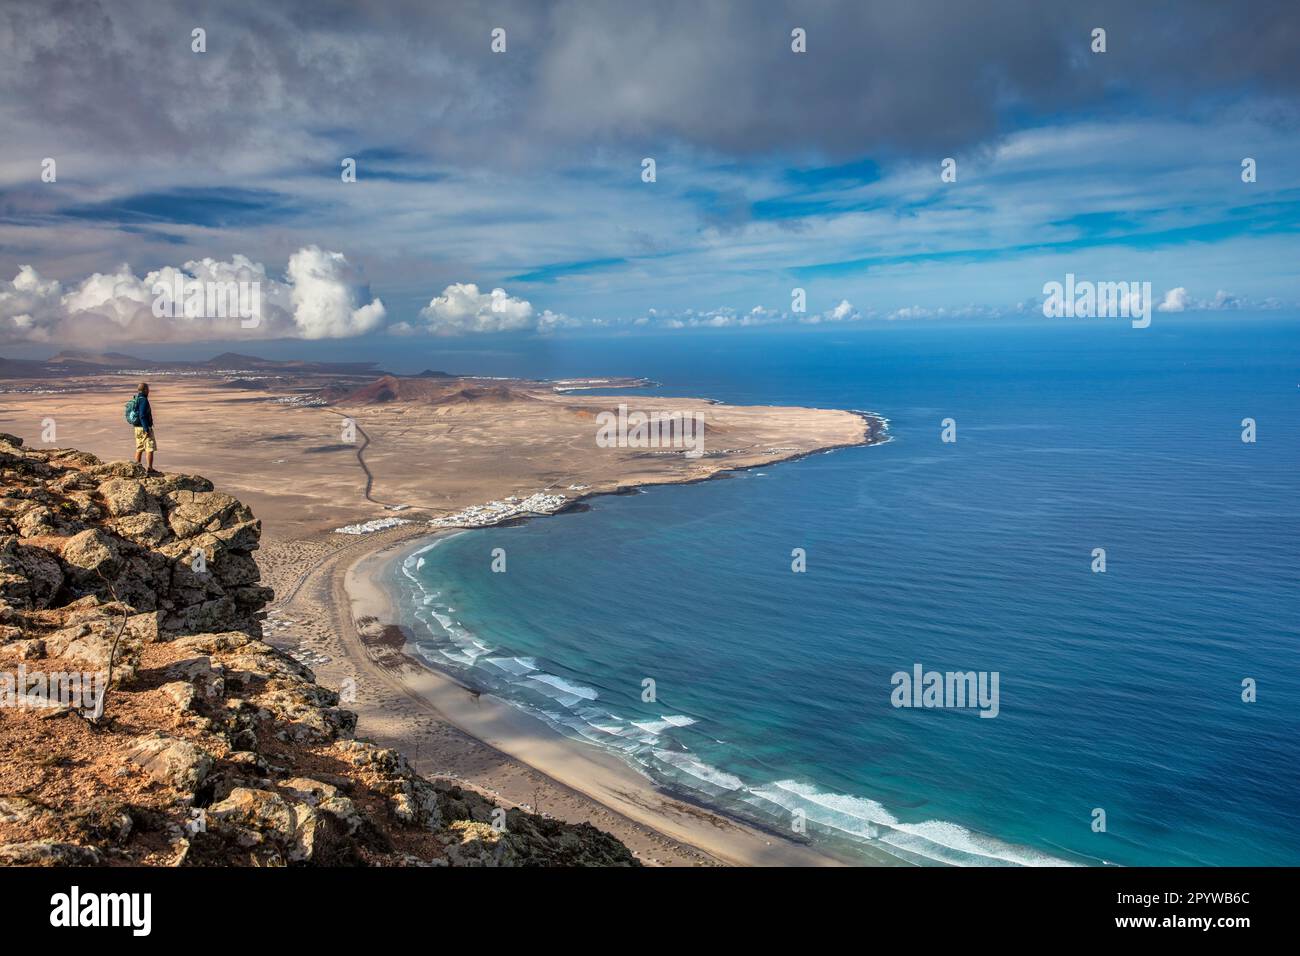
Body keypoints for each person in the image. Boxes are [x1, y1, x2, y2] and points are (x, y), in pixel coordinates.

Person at [131, 383, 157, 473]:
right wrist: (146, 429)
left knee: (139, 448)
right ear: (145, 390)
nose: (149, 391)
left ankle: (136, 469)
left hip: (137, 428)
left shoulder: (137, 399)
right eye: (148, 389)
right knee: (149, 447)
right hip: (143, 428)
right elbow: (142, 415)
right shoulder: (143, 400)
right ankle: (150, 468)